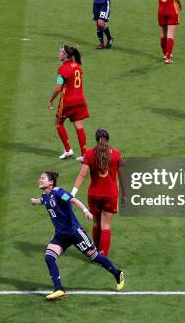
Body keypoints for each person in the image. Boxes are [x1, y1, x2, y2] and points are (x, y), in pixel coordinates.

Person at [31, 171, 125, 300]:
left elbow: (73, 200)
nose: (39, 180)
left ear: (50, 183)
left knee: (94, 256)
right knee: (49, 257)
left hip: (75, 232)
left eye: (42, 178)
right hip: (61, 236)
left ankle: (117, 273)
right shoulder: (45, 194)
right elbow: (45, 200)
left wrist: (86, 211)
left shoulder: (59, 192)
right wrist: (36, 201)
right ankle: (59, 289)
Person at [71, 128, 124, 256]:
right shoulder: (117, 154)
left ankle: (95, 253)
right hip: (110, 194)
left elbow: (82, 175)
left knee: (96, 223)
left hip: (94, 194)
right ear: (108, 139)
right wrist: (125, 195)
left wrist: (72, 194)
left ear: (96, 139)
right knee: (106, 226)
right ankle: (103, 255)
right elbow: (122, 177)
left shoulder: (89, 154)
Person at [48, 45, 89, 161]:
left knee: (58, 123)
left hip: (67, 102)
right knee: (79, 126)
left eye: (60, 52)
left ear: (65, 55)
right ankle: (84, 154)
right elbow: (79, 61)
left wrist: (50, 100)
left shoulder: (63, 69)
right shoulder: (77, 65)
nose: (58, 54)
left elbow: (58, 88)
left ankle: (68, 150)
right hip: (80, 100)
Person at [153, 0, 182, 64]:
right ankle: (168, 57)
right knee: (170, 35)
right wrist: (180, 5)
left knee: (163, 34)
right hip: (172, 12)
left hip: (161, 12)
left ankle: (165, 53)